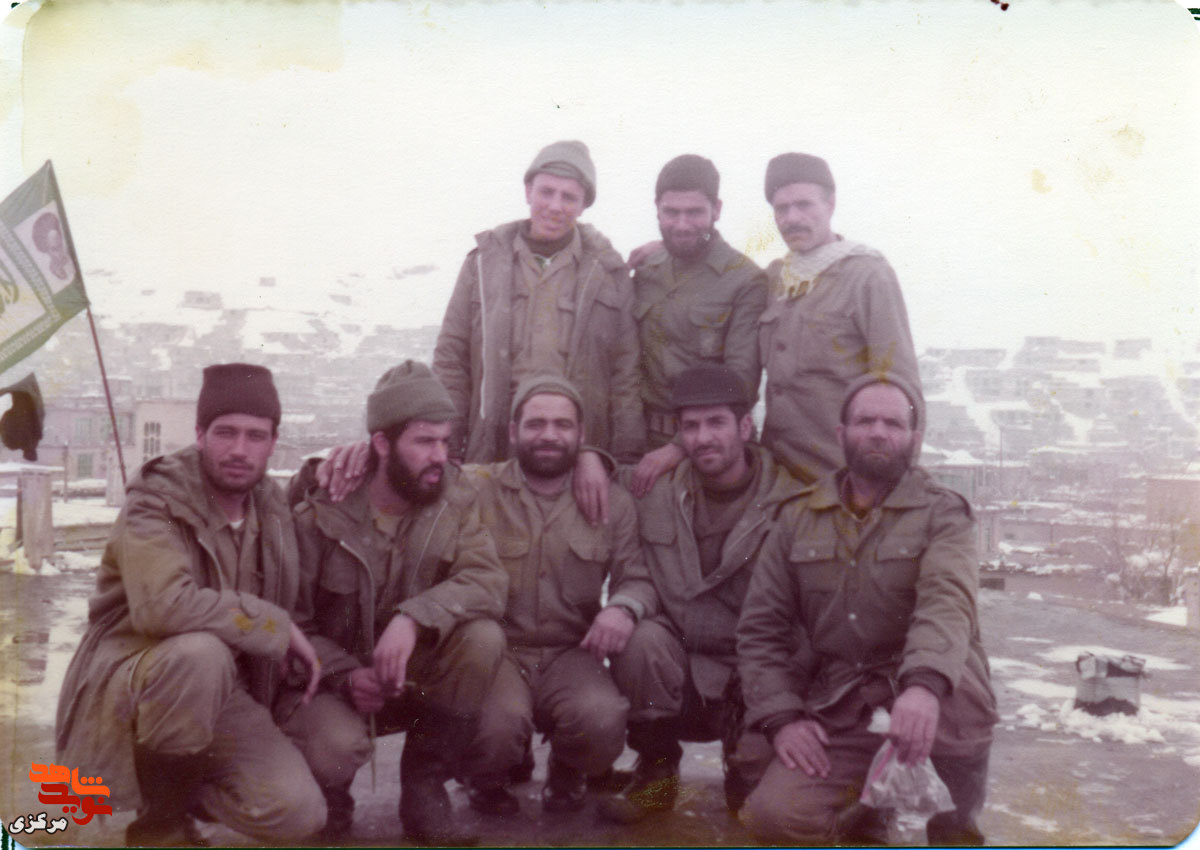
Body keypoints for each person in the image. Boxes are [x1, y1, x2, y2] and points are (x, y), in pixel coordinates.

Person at [55, 364, 327, 845]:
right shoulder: (155, 500)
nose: (239, 449)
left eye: (255, 436)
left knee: (296, 812)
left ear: (273, 443)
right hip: (137, 678)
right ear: (200, 434)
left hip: (223, 690)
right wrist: (273, 627)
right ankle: (159, 828)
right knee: (201, 653)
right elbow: (162, 606)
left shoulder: (271, 506)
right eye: (225, 432)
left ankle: (175, 788)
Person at [736, 375, 998, 845]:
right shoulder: (797, 517)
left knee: (960, 701)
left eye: (893, 424)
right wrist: (783, 719)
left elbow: (946, 602)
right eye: (865, 421)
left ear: (914, 439)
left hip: (931, 694)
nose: (878, 432)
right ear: (841, 434)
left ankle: (955, 826)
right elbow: (761, 630)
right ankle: (862, 813)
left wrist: (924, 686)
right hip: (844, 699)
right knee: (773, 817)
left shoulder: (943, 514)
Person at [281, 361, 508, 845]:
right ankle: (331, 798)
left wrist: (414, 618)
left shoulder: (454, 500)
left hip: (409, 676)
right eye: (424, 441)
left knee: (482, 637)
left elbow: (487, 580)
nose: (439, 456)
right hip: (332, 683)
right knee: (335, 747)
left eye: (445, 441)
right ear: (381, 444)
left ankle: (425, 787)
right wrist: (345, 676)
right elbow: (289, 622)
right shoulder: (322, 512)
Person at [599, 365, 800, 823]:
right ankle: (657, 774)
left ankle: (743, 766)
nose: (703, 438)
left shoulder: (790, 502)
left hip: (754, 672)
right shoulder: (656, 490)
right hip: (680, 666)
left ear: (745, 427)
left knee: (753, 811)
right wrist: (594, 459)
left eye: (716, 423)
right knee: (639, 639)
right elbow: (599, 478)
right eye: (690, 426)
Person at [459, 375, 657, 816]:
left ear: (581, 435)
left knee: (602, 719)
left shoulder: (614, 503)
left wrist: (623, 609)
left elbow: (638, 578)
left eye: (562, 425)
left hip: (571, 652)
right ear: (514, 432)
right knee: (494, 727)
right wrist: (347, 457)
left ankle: (568, 768)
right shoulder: (476, 489)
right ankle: (486, 779)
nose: (549, 435)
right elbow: (417, 474)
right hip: (498, 653)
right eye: (536, 424)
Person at [432, 140, 645, 465]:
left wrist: (622, 458)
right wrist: (448, 445)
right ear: (528, 191)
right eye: (546, 192)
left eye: (569, 197)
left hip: (576, 453)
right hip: (493, 449)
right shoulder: (483, 263)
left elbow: (625, 373)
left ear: (583, 205)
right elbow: (451, 358)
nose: (555, 206)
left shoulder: (608, 272)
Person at [758, 152, 922, 485]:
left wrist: (895, 485)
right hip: (776, 477)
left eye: (804, 205)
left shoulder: (868, 275)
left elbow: (900, 385)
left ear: (830, 204)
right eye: (781, 209)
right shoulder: (774, 278)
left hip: (842, 478)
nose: (792, 218)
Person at [631, 154, 766, 453]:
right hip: (641, 439)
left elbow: (740, 382)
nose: (682, 225)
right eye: (671, 212)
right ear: (657, 209)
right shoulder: (646, 269)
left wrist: (679, 447)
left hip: (712, 445)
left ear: (716, 209)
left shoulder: (745, 279)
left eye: (694, 212)